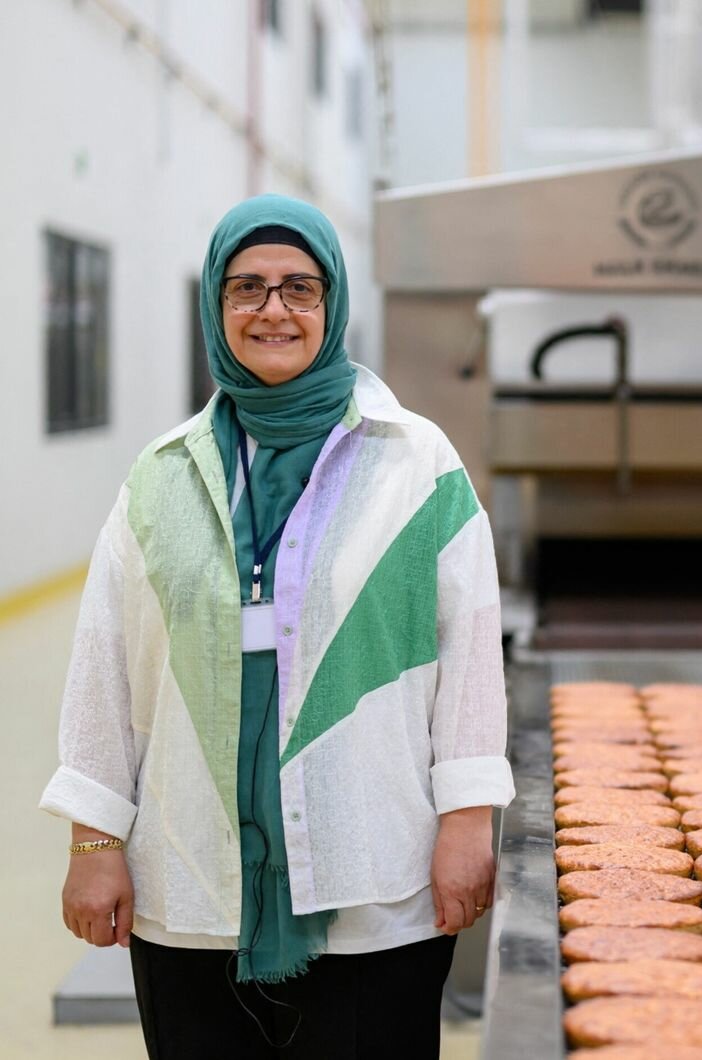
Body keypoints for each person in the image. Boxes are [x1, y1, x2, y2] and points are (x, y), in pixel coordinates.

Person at [40, 194, 514, 1059]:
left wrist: (467, 822)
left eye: (300, 288)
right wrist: (95, 840)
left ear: (332, 305)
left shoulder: (415, 461)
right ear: (216, 310)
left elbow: (472, 652)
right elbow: (104, 665)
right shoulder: (161, 476)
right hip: (191, 884)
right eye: (246, 288)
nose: (273, 310)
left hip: (374, 880)